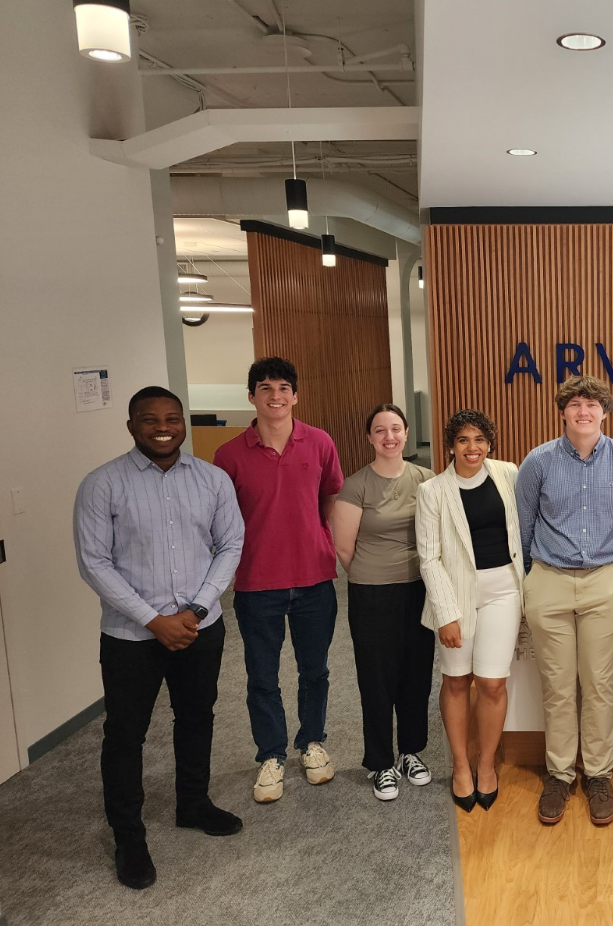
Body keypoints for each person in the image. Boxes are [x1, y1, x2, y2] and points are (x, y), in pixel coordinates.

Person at [73, 386, 245, 890]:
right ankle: (129, 835)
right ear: (132, 426)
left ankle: (193, 803)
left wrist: (194, 609)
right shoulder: (102, 484)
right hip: (130, 635)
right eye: (149, 419)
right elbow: (94, 563)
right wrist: (153, 619)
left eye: (172, 417)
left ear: (183, 422)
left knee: (197, 717)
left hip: (200, 627)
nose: (162, 426)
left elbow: (231, 543)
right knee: (126, 734)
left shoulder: (212, 480)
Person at [516, 374, 613, 826]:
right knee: (556, 687)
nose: (583, 411)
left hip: (604, 582)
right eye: (574, 404)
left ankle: (598, 775)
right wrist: (535, 579)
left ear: (605, 411)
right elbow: (523, 526)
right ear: (563, 411)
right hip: (549, 580)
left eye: (592, 403)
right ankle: (558, 773)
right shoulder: (538, 462)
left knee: (599, 686)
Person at [213, 357, 344, 803]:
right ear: (251, 395)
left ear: (296, 396)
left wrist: (317, 540)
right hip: (256, 583)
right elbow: (223, 521)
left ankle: (311, 743)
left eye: (284, 387)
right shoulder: (228, 455)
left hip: (314, 579)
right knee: (261, 677)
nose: (275, 396)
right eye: (265, 387)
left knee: (316, 670)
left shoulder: (320, 443)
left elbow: (330, 497)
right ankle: (270, 755)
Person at [416, 410, 523, 812]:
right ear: (450, 445)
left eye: (479, 439)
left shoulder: (507, 474)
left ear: (490, 443)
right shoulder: (433, 491)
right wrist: (445, 613)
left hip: (504, 592)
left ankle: (486, 764)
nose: (472, 447)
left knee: (493, 683)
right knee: (457, 681)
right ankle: (461, 765)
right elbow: (429, 558)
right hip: (455, 597)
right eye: (463, 440)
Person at [331, 404, 436, 801]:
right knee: (376, 677)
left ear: (407, 434)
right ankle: (380, 762)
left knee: (417, 673)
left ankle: (410, 752)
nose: (389, 437)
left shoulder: (426, 479)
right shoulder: (356, 485)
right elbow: (344, 548)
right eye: (380, 430)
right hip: (372, 591)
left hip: (419, 589)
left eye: (396, 429)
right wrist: (375, 573)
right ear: (370, 438)